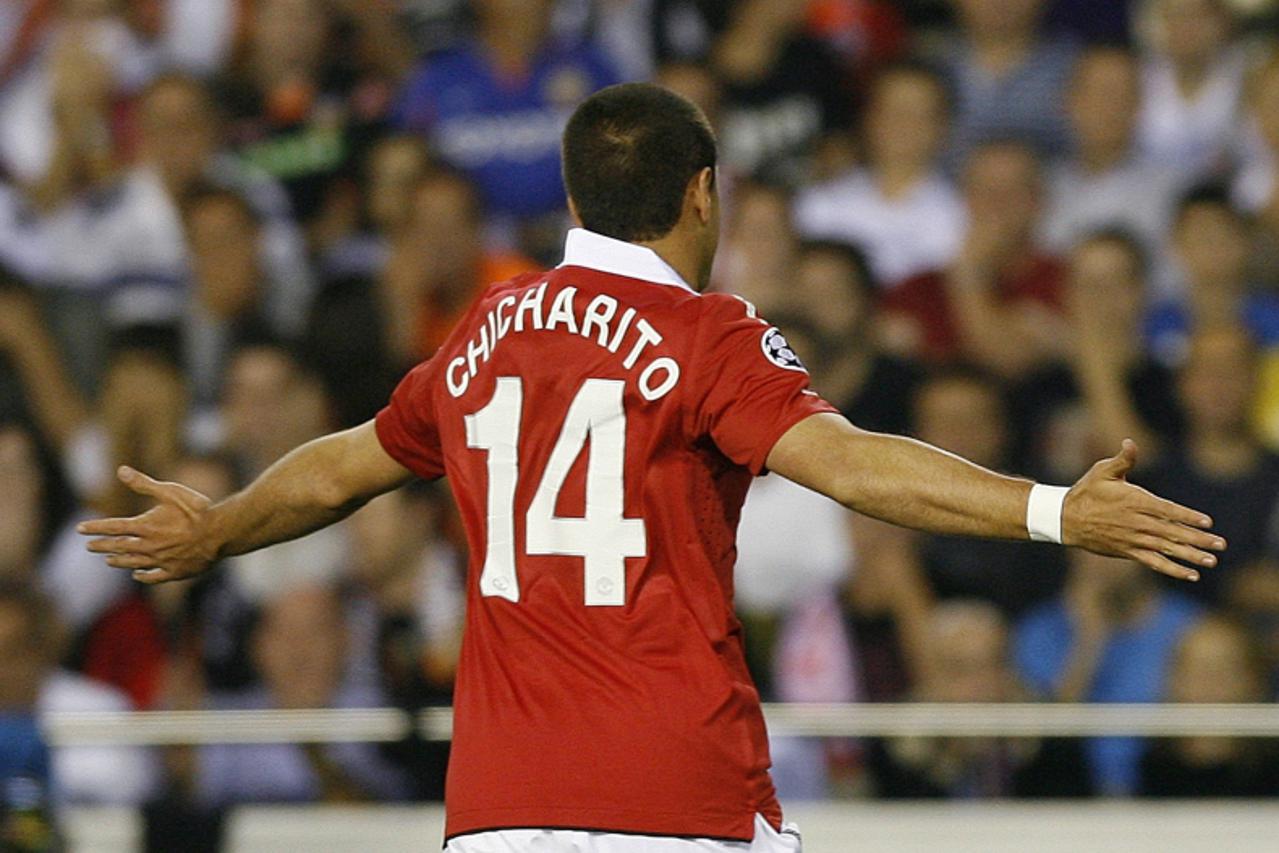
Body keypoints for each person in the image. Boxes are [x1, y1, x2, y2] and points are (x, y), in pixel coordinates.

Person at [80, 83, 1224, 852]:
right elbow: (848, 462)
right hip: (674, 793)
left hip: (497, 810)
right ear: (701, 193)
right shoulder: (705, 333)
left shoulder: (488, 329)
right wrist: (1048, 509)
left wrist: (221, 525)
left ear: (575, 200)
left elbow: (346, 465)